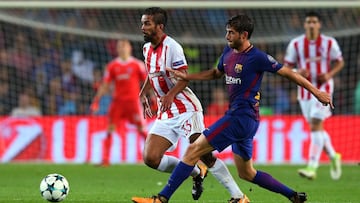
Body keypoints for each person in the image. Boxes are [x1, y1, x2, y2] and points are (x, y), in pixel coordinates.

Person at [133, 13, 334, 203]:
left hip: (240, 117)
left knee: (193, 150)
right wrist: (188, 77)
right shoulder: (228, 51)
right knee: (247, 173)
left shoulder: (257, 57)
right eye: (227, 31)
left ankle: (161, 198)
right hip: (246, 120)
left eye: (231, 32)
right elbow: (215, 73)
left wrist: (316, 92)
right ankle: (292, 196)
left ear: (243, 35)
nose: (227, 35)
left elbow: (290, 73)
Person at [132, 7, 248, 203]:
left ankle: (239, 196)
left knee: (205, 154)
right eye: (142, 23)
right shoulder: (146, 49)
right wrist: (145, 90)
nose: (142, 27)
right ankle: (196, 173)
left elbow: (184, 78)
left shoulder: (173, 47)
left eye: (147, 23)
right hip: (167, 112)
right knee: (151, 158)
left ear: (160, 26)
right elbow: (152, 73)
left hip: (187, 108)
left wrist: (169, 95)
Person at [284, 11, 343, 180]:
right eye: (308, 21)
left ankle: (312, 166)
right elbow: (286, 68)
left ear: (319, 24)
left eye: (314, 22)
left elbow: (340, 61)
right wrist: (298, 71)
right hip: (304, 91)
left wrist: (329, 74)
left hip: (324, 89)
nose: (311, 24)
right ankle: (333, 155)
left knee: (316, 124)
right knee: (316, 127)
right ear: (304, 24)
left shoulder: (329, 42)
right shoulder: (296, 44)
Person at [90, 39, 148, 166]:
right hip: (117, 103)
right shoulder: (112, 66)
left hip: (133, 103)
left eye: (124, 46)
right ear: (116, 50)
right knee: (110, 129)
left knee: (142, 129)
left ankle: (154, 155)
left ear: (129, 48)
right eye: (119, 47)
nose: (122, 49)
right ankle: (105, 160)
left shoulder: (137, 65)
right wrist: (96, 101)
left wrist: (153, 99)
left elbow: (147, 83)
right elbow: (105, 85)